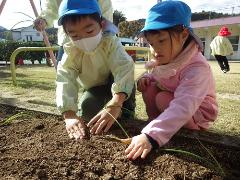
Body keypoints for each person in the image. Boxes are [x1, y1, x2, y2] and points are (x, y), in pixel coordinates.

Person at [125, 1, 218, 160]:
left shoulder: (196, 67)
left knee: (162, 98)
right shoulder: (169, 55)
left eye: (161, 41)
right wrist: (147, 78)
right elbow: (159, 74)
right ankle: (155, 123)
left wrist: (151, 137)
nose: (155, 50)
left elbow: (184, 104)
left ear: (183, 35)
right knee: (150, 88)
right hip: (173, 102)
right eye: (151, 43)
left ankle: (187, 132)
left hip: (197, 112)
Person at [56, 0, 135, 140]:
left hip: (118, 85)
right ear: (67, 35)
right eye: (74, 35)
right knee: (88, 109)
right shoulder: (71, 51)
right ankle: (108, 108)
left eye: (89, 31)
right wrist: (69, 115)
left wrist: (116, 102)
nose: (83, 39)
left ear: (102, 24)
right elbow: (64, 78)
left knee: (122, 110)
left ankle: (126, 112)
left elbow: (124, 67)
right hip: (94, 88)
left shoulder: (110, 42)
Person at [34, 0, 114, 68]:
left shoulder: (111, 45)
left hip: (98, 42)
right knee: (64, 73)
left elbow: (106, 11)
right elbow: (51, 8)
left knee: (105, 78)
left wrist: (106, 38)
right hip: (69, 41)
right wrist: (44, 19)